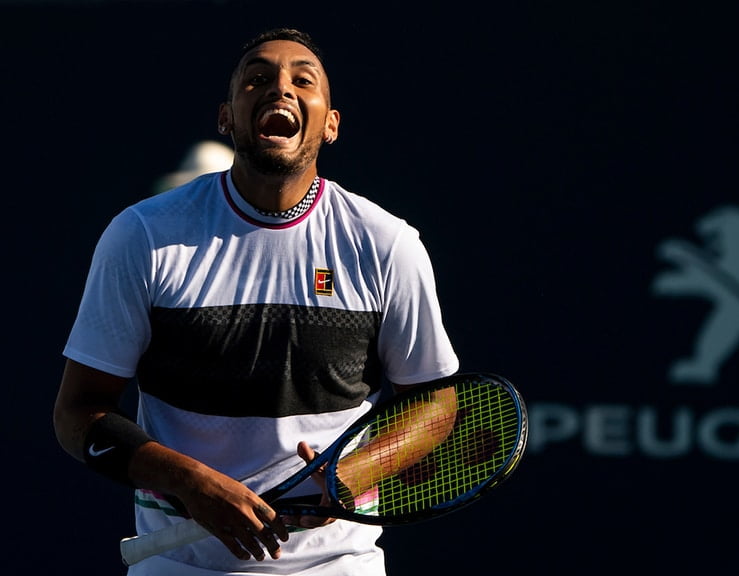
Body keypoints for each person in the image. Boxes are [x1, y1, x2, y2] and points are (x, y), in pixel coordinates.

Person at [53, 27, 460, 575]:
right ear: (226, 118)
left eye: (302, 80)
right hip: (179, 566)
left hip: (338, 564)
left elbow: (434, 409)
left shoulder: (387, 245)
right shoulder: (142, 236)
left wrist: (354, 476)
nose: (280, 90)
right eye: (258, 79)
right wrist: (189, 482)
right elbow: (78, 412)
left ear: (331, 123)